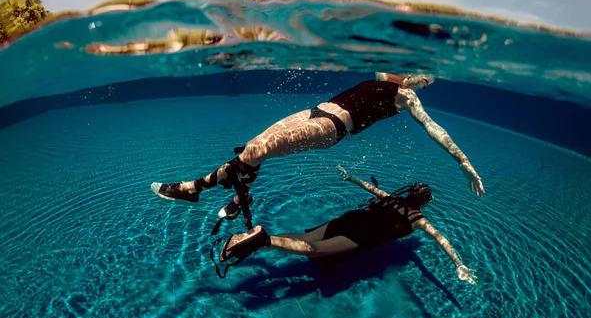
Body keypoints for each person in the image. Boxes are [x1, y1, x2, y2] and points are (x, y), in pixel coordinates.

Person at [151, 71, 485, 231]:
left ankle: (192, 189)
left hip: (331, 128)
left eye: (427, 83)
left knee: (254, 151)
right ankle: (240, 200)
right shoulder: (386, 73)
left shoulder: (406, 98)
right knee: (255, 148)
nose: (422, 83)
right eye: (424, 76)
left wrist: (464, 161)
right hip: (315, 111)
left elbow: (433, 128)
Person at [216, 166, 477, 284]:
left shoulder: (394, 198)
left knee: (305, 236)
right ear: (424, 203)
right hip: (362, 233)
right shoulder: (418, 219)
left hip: (351, 218)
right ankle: (264, 240)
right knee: (314, 250)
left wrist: (350, 177)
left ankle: (258, 238)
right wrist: (458, 264)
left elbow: (370, 187)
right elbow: (442, 239)